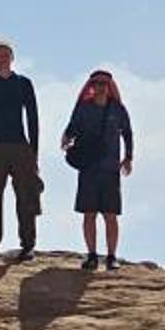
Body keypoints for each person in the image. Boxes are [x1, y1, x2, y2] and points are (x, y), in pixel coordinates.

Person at [0, 40, 42, 266]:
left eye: (6, 54)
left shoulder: (24, 83)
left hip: (21, 147)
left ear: (12, 57)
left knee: (25, 196)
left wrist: (34, 151)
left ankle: (28, 245)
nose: (3, 58)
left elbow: (32, 117)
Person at [63, 68, 136, 269]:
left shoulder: (117, 109)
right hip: (88, 168)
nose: (101, 87)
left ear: (110, 86)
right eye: (97, 83)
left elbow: (127, 133)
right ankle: (92, 256)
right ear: (91, 86)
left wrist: (128, 157)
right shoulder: (84, 108)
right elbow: (72, 127)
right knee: (89, 213)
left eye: (104, 83)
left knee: (110, 215)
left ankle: (111, 257)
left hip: (110, 169)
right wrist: (66, 138)